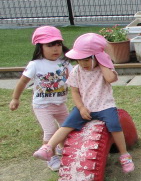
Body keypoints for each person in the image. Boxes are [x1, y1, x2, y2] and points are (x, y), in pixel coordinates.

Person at [32, 33, 135, 173]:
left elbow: (111, 79)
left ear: (96, 58)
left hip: (105, 106)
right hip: (85, 107)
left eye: (86, 60)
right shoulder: (77, 71)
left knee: (115, 125)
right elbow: (74, 91)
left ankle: (124, 155)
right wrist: (81, 108)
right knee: (66, 125)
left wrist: (103, 61)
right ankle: (48, 147)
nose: (82, 64)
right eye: (79, 60)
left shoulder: (103, 70)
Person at [10, 26, 71, 171]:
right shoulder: (35, 65)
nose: (55, 49)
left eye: (58, 44)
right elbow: (23, 82)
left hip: (60, 104)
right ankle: (50, 156)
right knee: (50, 131)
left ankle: (62, 148)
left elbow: (74, 80)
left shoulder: (65, 63)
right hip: (43, 106)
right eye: (50, 45)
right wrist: (15, 98)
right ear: (40, 47)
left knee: (67, 128)